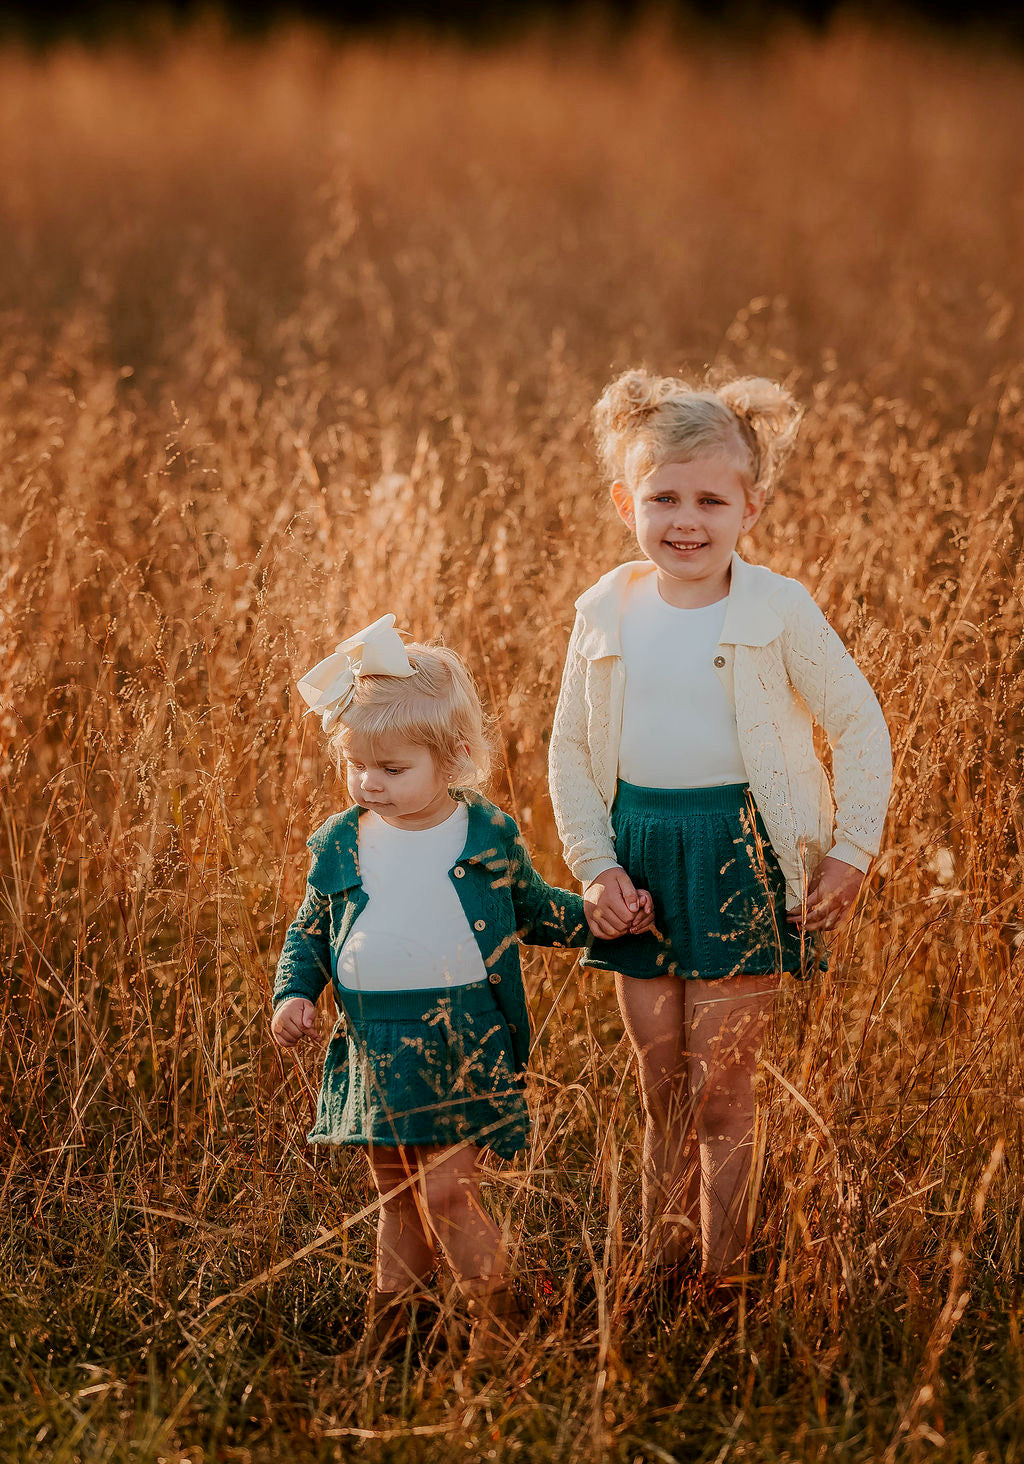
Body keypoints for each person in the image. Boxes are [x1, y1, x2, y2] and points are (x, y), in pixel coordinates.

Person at [548, 369, 892, 1289]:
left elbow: (858, 723)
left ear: (753, 506)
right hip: (641, 858)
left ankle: (725, 1274)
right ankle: (660, 1265)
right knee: (661, 1088)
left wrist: (852, 849)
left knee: (722, 1088)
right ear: (627, 502)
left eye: (710, 498)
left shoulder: (778, 609)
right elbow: (571, 752)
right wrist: (593, 867)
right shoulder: (604, 609)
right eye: (663, 496)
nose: (685, 519)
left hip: (742, 853)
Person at [271, 616, 649, 1364]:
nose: (370, 784)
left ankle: (500, 1337)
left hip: (457, 1037)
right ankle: (394, 1338)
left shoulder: (483, 837)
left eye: (392, 768)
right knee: (396, 1199)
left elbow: (535, 911)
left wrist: (599, 922)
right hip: (371, 1040)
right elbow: (310, 929)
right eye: (358, 766)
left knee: (447, 1194)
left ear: (455, 759)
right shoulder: (343, 839)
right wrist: (294, 993)